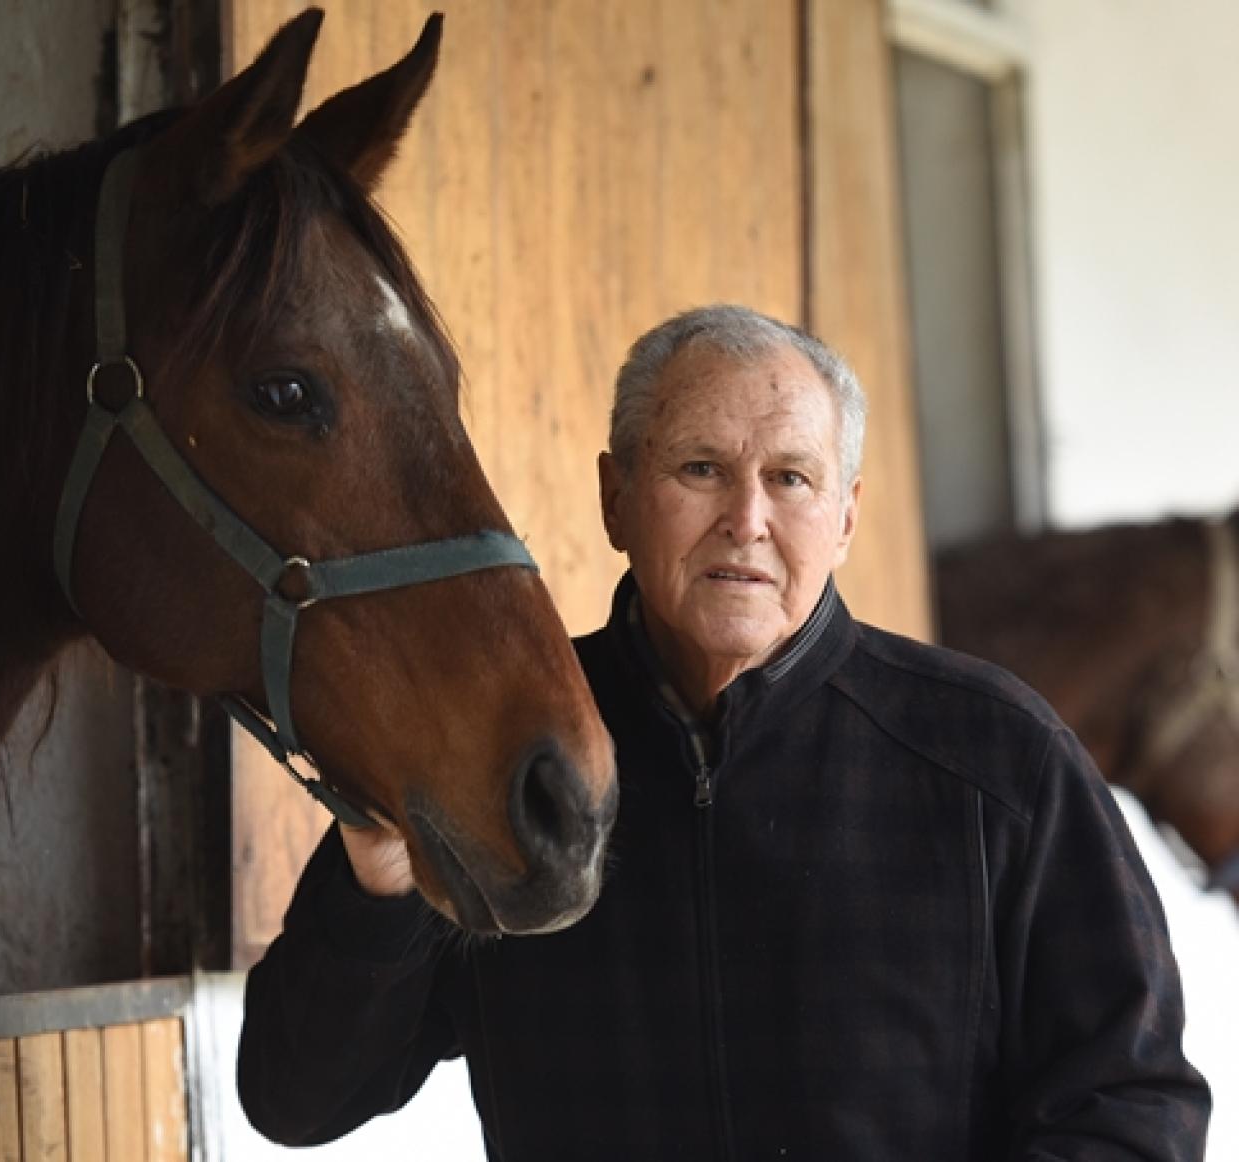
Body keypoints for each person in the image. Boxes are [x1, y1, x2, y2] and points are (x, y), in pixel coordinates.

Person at [238, 304, 1210, 1160]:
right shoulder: (500, 748)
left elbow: (1129, 1098)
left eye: (789, 478)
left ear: (844, 516)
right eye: (699, 468)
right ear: (615, 496)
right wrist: (380, 880)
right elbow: (295, 1094)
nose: (746, 519)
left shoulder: (995, 759)